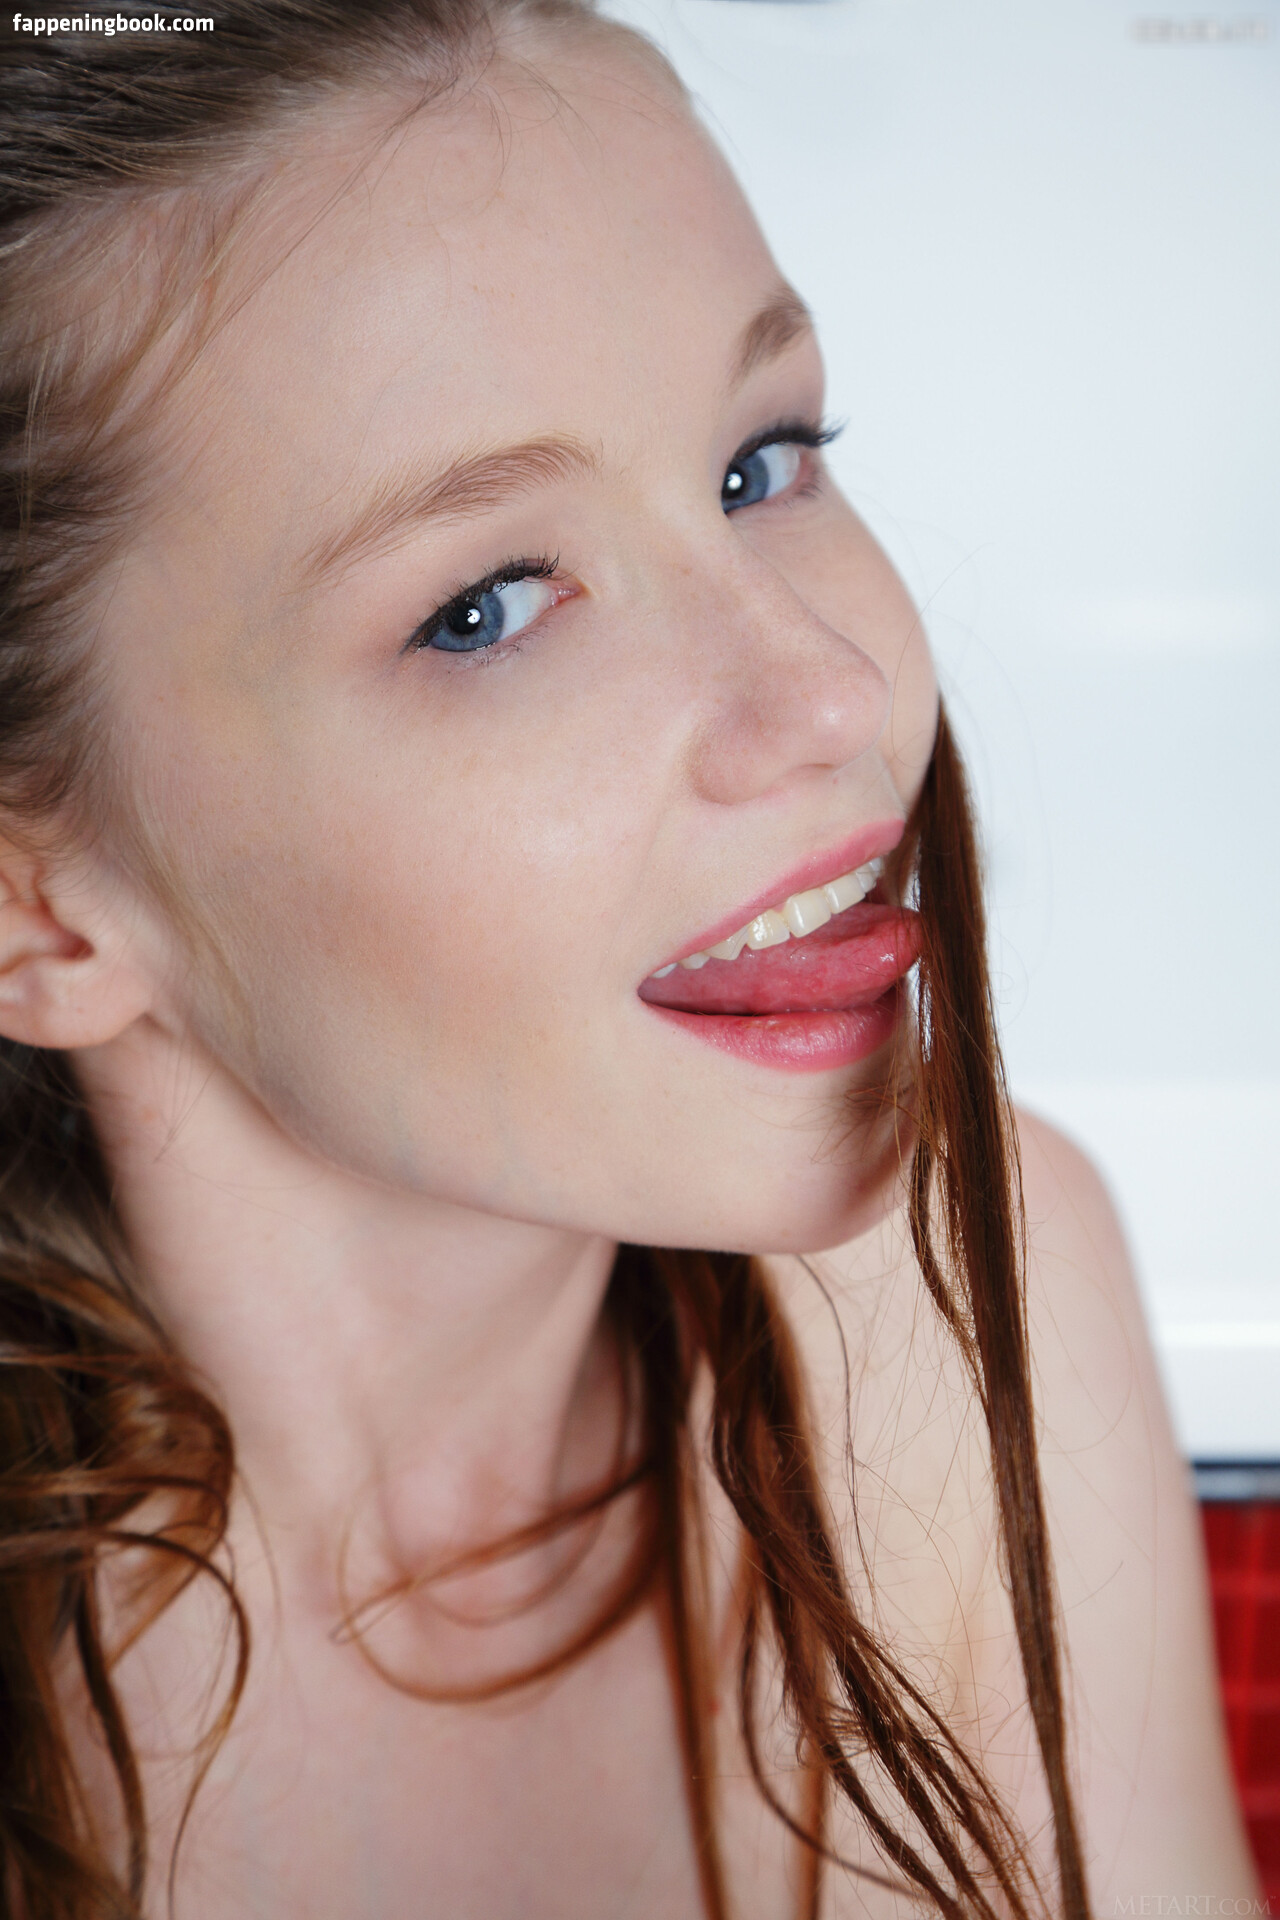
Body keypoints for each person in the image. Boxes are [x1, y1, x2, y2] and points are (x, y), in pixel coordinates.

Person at [0, 4, 1256, 1915]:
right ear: (38, 906)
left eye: (762, 461)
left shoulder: (961, 1309)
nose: (829, 694)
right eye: (489, 607)